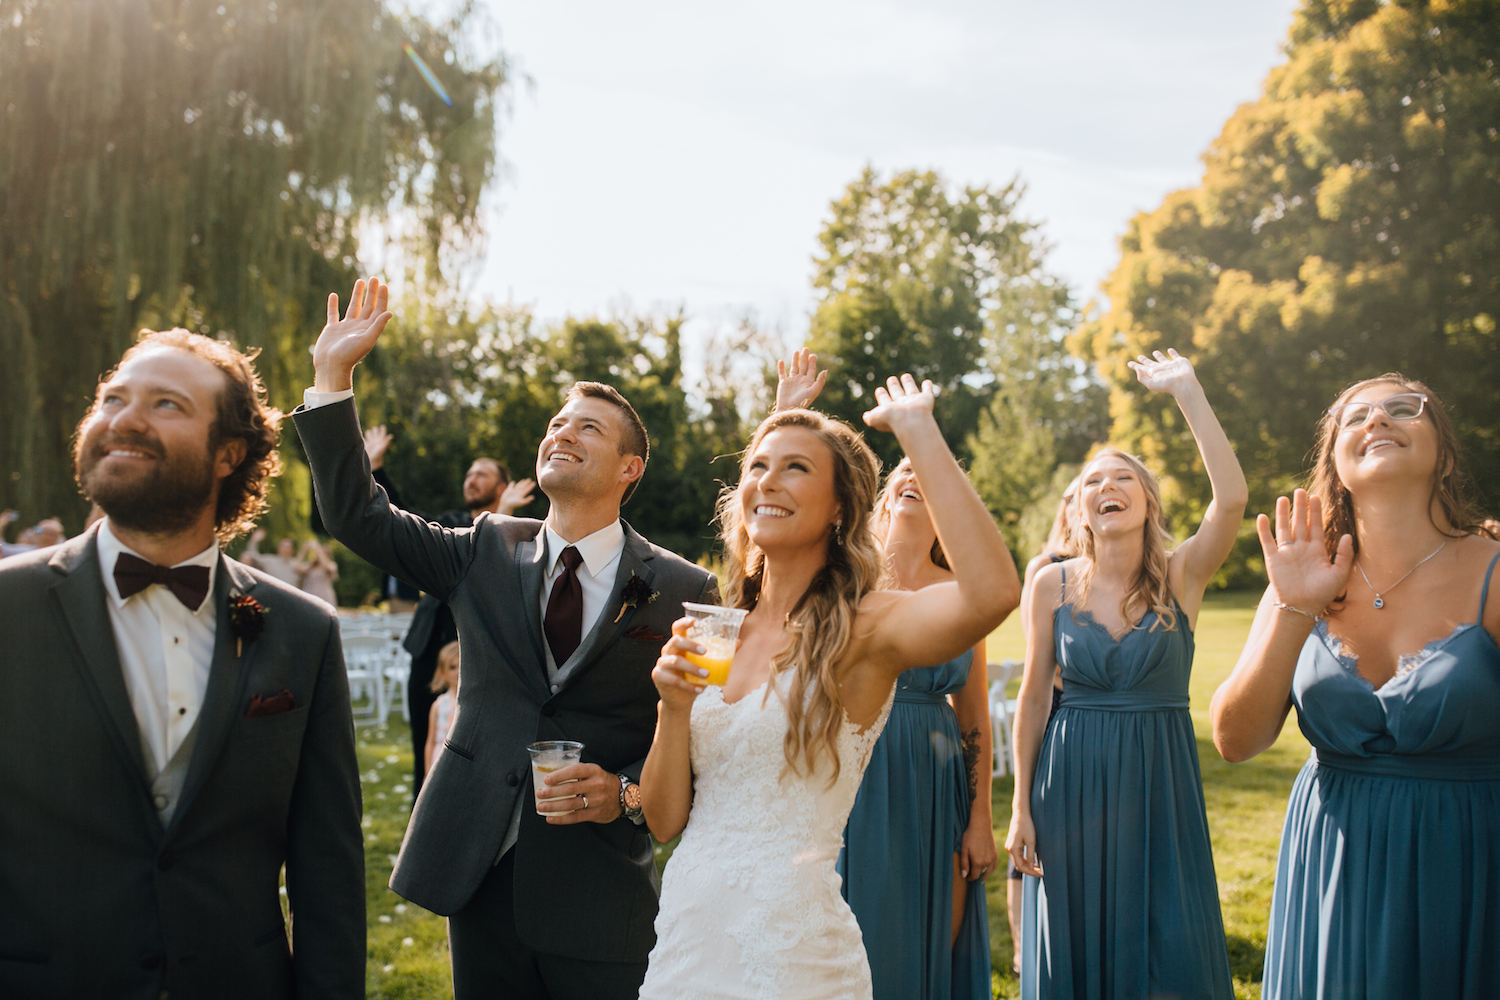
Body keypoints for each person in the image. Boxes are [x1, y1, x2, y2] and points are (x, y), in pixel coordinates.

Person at [295, 277, 717, 1000]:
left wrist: (623, 795)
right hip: (480, 863)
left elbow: (704, 748)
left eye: (587, 427)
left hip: (601, 887)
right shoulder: (483, 549)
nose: (561, 432)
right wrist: (332, 380)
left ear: (629, 468)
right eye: (557, 423)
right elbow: (357, 516)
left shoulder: (684, 589)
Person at [0, 328, 364, 998]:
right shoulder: (7, 607)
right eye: (113, 398)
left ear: (229, 453)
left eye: (166, 404)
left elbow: (328, 872)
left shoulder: (302, 630)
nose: (124, 419)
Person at [639, 372, 1019, 999]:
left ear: (841, 507)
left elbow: (993, 594)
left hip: (790, 955)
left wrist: (918, 431)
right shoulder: (722, 625)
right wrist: (673, 709)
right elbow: (664, 820)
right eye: (758, 466)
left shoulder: (867, 625)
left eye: (796, 469)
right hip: (685, 939)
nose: (767, 480)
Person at [1210, 375, 1500, 1000]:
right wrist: (1294, 607)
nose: (1378, 420)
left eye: (1403, 409)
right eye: (1356, 416)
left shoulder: (1494, 571)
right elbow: (1237, 739)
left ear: (1444, 455)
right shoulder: (1296, 572)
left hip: (1468, 863)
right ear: (1336, 464)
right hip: (1331, 866)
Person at [1006, 348, 1245, 1000]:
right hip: (1071, 780)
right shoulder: (1049, 585)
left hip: (1158, 779)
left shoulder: (1182, 574)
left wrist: (1188, 391)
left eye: (1122, 479)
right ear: (1078, 508)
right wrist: (1021, 807)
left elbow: (1232, 499)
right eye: (1092, 482)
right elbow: (1031, 701)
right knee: (1077, 941)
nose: (1106, 488)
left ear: (1147, 500)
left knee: (1168, 944)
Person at [776, 350, 998, 998]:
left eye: (923, 475)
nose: (910, 478)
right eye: (900, 469)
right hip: (849, 771)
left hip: (932, 787)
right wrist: (789, 411)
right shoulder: (843, 582)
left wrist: (978, 815)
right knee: (844, 928)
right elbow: (773, 539)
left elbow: (975, 715)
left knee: (918, 937)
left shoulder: (963, 595)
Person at [364, 422, 536, 796]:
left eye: (483, 474)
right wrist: (375, 470)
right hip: (428, 653)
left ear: (502, 487)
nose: (472, 479)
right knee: (424, 746)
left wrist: (503, 518)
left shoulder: (524, 535)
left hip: (476, 658)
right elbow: (402, 521)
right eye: (470, 473)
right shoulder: (452, 526)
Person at [1006, 476, 1078, 971]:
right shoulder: (1048, 567)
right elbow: (1042, 658)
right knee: (1036, 824)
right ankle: (1021, 946)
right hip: (1057, 705)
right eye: (1073, 496)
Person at [424, 639, 461, 774]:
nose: (458, 671)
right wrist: (428, 773)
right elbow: (431, 742)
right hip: (441, 761)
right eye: (452, 667)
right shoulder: (439, 705)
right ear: (442, 673)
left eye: (461, 665)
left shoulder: (474, 704)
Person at [294, 537, 340, 608]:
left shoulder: (331, 565)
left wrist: (318, 548)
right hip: (310, 596)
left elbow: (327, 567)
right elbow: (296, 568)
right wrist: (303, 550)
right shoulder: (311, 566)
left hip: (325, 597)